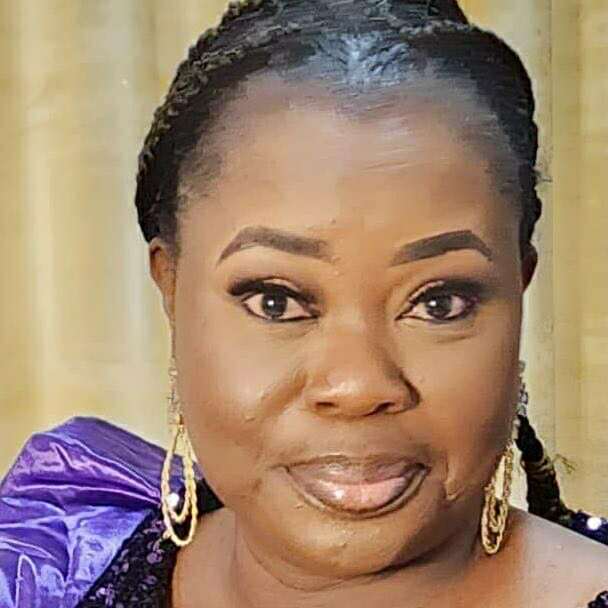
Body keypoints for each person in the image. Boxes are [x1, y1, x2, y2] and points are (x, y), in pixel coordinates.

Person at [1, 0, 608, 606]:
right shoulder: (51, 570)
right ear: (172, 288)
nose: (358, 386)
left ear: (519, 291)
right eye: (275, 301)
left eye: (441, 302)